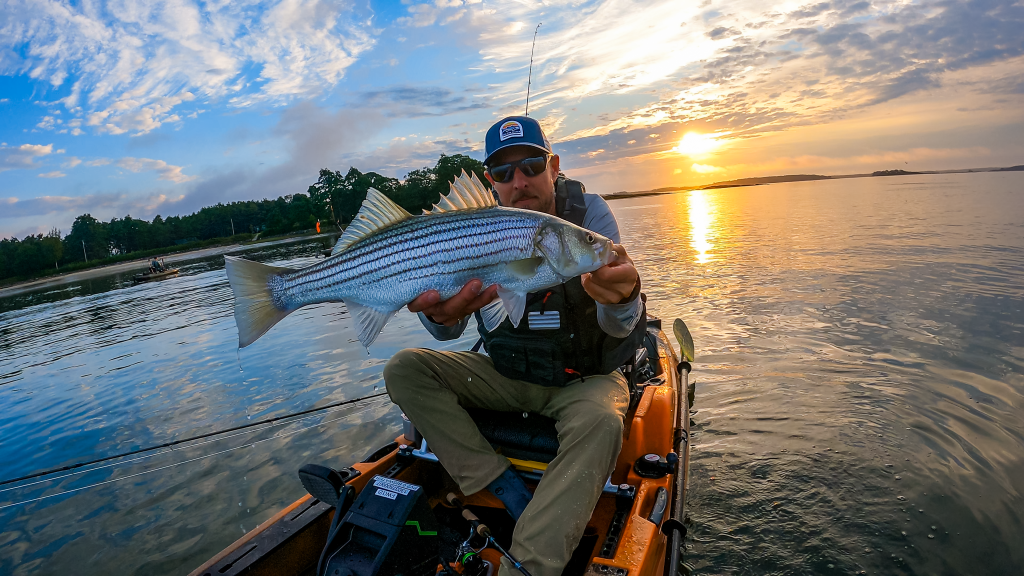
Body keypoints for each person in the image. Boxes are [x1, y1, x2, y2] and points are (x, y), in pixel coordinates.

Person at [383, 116, 645, 576]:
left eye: (530, 164)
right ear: (491, 181)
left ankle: (527, 565)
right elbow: (445, 332)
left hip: (582, 379)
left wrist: (625, 299)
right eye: (503, 173)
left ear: (553, 165)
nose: (518, 180)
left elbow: (620, 328)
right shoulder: (469, 227)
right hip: (505, 373)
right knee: (404, 368)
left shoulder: (588, 219)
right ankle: (494, 481)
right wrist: (438, 313)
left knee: (603, 421)